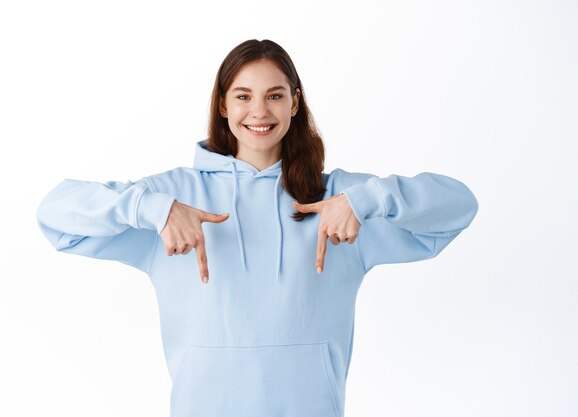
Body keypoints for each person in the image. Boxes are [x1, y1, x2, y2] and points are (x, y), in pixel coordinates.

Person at [36, 39, 479, 417]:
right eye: (244, 96)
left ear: (294, 102)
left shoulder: (337, 202)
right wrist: (153, 209)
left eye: (274, 95)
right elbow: (55, 214)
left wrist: (371, 199)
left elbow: (459, 205)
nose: (259, 111)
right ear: (224, 104)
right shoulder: (173, 197)